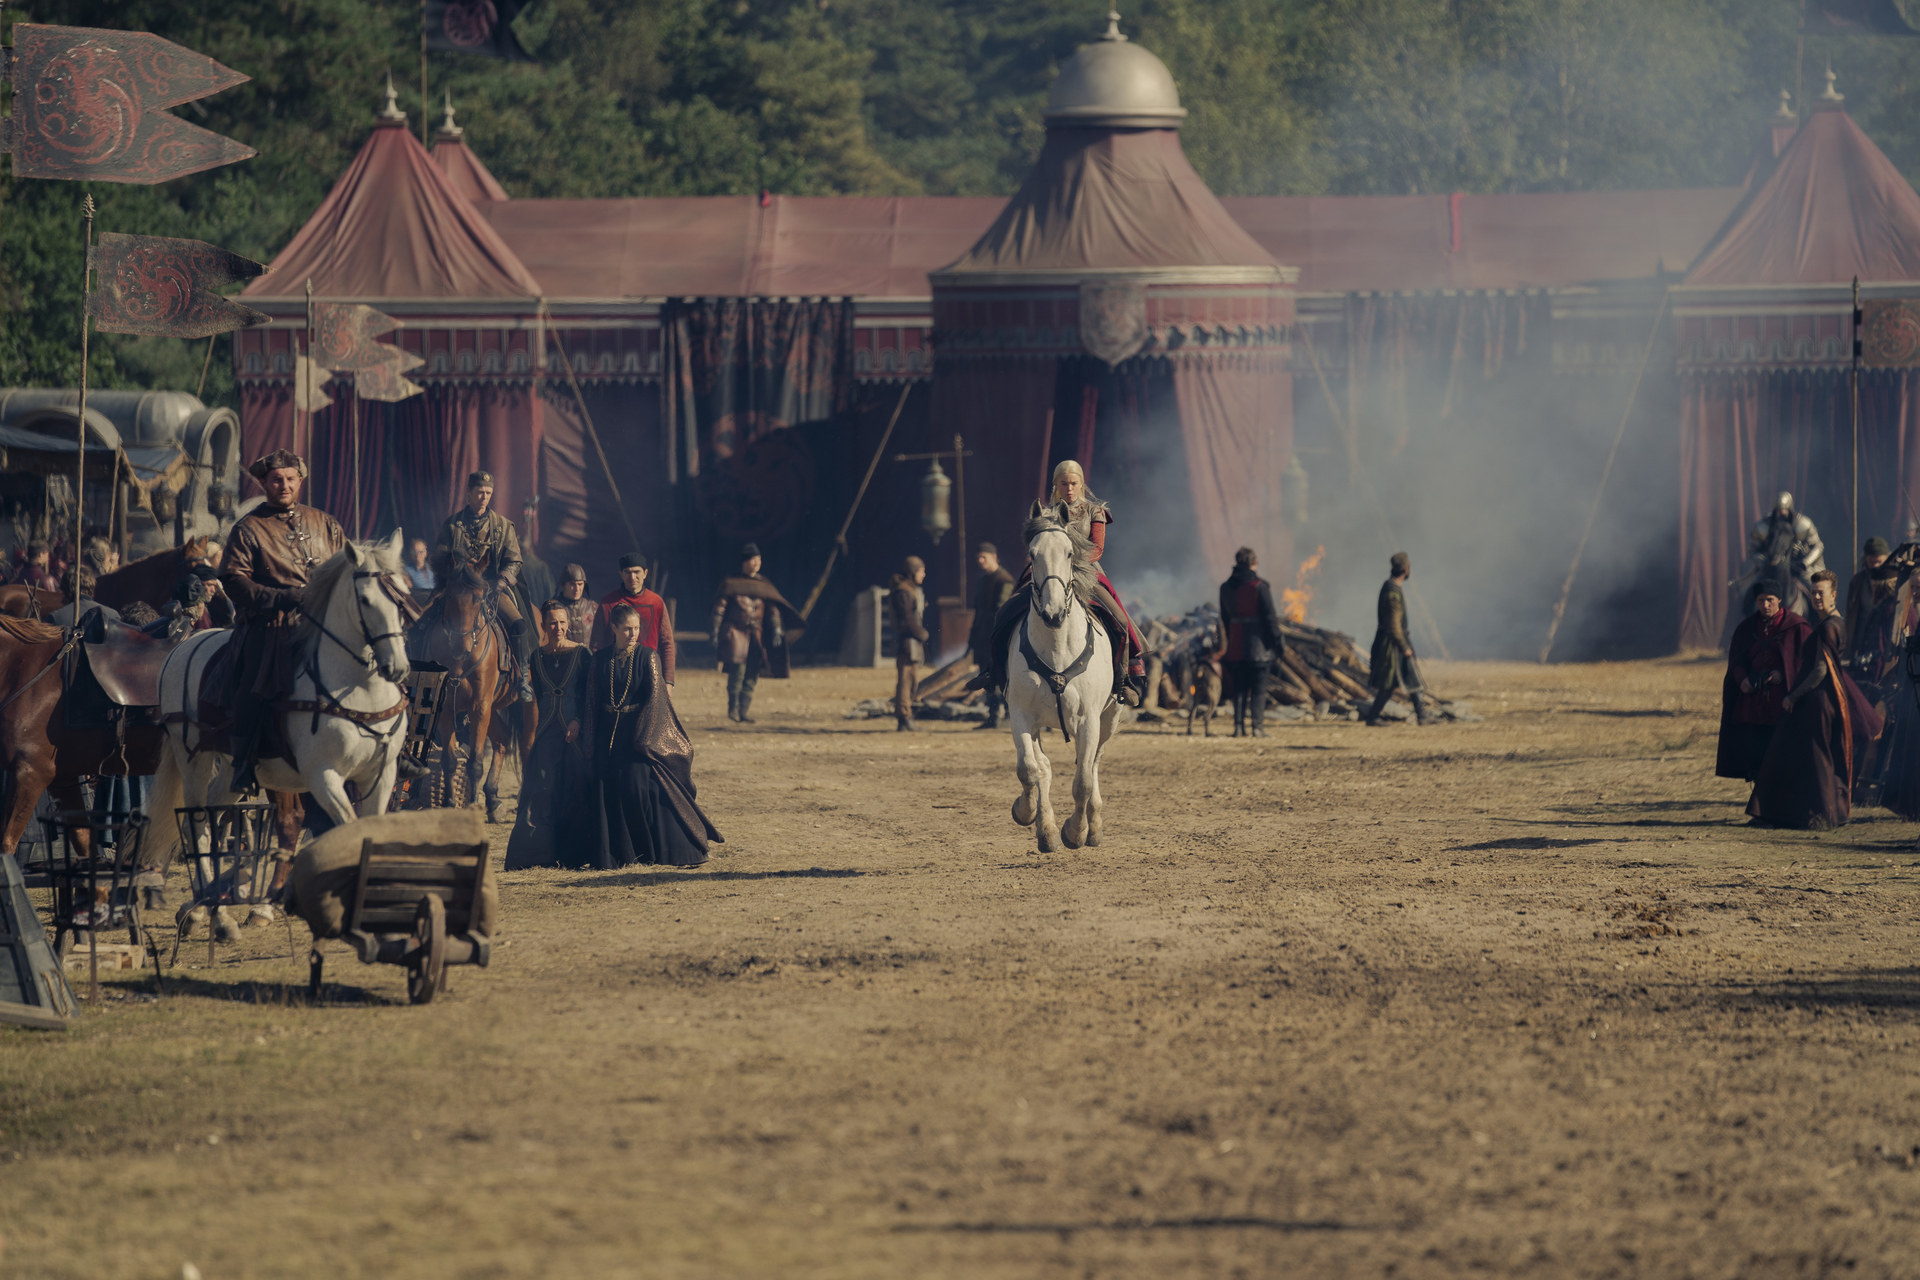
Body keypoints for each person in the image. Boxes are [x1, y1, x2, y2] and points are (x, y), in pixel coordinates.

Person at [966, 460, 1150, 706]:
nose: (1069, 488)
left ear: (1081, 484)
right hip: (1047, 573)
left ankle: (1123, 678)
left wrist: (1068, 563)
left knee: (1118, 617)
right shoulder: (1045, 513)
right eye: (1064, 484)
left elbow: (1096, 549)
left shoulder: (1094, 511)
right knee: (1005, 613)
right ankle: (994, 671)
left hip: (1085, 572)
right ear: (1056, 485)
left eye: (1074, 483)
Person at [220, 449, 347, 794]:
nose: (284, 485)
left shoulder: (326, 523)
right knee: (255, 678)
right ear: (263, 483)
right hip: (271, 626)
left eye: (290, 479)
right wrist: (280, 598)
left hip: (324, 623)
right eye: (276, 480)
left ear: (300, 481)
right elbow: (233, 580)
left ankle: (396, 748)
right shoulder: (248, 529)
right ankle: (244, 762)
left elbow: (348, 568)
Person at [584, 602, 722, 869]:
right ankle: (613, 855)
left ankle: (653, 851)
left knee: (636, 784)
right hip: (606, 733)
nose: (633, 634)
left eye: (636, 629)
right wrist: (590, 742)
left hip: (638, 734)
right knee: (603, 784)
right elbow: (590, 702)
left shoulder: (648, 656)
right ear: (613, 628)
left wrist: (643, 738)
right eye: (627, 629)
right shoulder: (600, 660)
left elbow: (657, 700)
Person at [1747, 569, 1883, 829]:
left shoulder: (1830, 627)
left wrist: (1793, 696)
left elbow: (1821, 670)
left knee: (1818, 758)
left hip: (1818, 701)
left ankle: (1823, 816)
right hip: (1816, 700)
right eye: (1814, 593)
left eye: (1821, 593)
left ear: (1834, 595)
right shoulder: (1827, 623)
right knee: (1806, 757)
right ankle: (1797, 814)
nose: (1816, 598)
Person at [505, 599, 593, 870]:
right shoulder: (536, 656)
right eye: (553, 623)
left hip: (574, 733)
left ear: (569, 625)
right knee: (541, 788)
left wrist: (578, 720)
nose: (558, 628)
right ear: (543, 626)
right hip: (547, 732)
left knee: (574, 789)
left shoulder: (582, 654)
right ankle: (538, 854)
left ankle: (575, 855)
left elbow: (589, 696)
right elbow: (539, 696)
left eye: (562, 622)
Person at [432, 471, 531, 694]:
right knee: (423, 621)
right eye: (479, 492)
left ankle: (522, 678)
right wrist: (454, 573)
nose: (484, 497)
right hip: (458, 590)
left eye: (488, 493)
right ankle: (419, 671)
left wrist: (502, 581)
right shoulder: (451, 525)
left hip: (494, 589)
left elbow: (515, 560)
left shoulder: (504, 526)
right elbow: (438, 558)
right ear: (468, 494)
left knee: (519, 625)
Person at [1715, 584, 1812, 782]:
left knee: (1781, 753)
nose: (1765, 605)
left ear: (1779, 600)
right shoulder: (1747, 628)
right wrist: (1742, 680)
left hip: (1783, 703)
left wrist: (1784, 674)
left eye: (1770, 600)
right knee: (1756, 753)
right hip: (1753, 703)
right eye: (1761, 600)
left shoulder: (1797, 626)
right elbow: (1736, 661)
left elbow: (1805, 661)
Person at [710, 543, 800, 724]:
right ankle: (733, 709)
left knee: (752, 672)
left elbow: (773, 610)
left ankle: (744, 711)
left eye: (758, 559)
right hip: (737, 633)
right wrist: (715, 630)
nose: (756, 563)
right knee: (737, 671)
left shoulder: (764, 585)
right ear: (744, 562)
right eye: (752, 560)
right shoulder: (731, 583)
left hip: (756, 635)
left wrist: (776, 630)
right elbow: (719, 609)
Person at [1364, 551, 1437, 725]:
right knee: (1400, 681)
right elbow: (1394, 625)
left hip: (1393, 642)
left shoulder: (1391, 587)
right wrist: (1404, 646)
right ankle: (1375, 717)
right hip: (1392, 645)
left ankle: (1420, 715)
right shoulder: (1392, 593)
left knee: (1405, 679)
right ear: (1406, 569)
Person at [1219, 546, 1284, 738]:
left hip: (1236, 643)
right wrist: (1278, 642)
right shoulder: (1259, 586)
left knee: (1239, 688)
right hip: (1258, 645)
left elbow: (1225, 618)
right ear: (1254, 563)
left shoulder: (1225, 587)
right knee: (1258, 688)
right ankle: (1257, 727)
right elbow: (1270, 618)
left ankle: (1238, 728)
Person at [1732, 490, 1826, 609]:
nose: (1782, 513)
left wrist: (1805, 562)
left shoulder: (1802, 524)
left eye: (1785, 510)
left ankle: (1818, 618)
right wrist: (1763, 561)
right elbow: (1753, 549)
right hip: (1770, 566)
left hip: (1798, 567)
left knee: (1815, 590)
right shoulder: (1764, 526)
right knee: (1749, 592)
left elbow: (1817, 546)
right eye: (1779, 510)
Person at [594, 553, 676, 683]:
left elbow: (667, 643)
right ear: (621, 573)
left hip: (649, 672)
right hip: (615, 675)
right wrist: (597, 677)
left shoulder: (656, 602)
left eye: (637, 572)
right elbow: (596, 644)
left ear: (645, 573)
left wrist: (668, 681)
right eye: (628, 572)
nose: (632, 577)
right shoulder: (607, 603)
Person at [968, 542, 1015, 729]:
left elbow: (1000, 610)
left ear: (994, 557)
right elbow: (979, 611)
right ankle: (992, 716)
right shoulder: (982, 581)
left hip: (995, 637)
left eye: (984, 557)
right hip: (982, 636)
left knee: (999, 675)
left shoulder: (1004, 580)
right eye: (978, 558)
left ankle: (1006, 715)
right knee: (986, 677)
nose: (980, 561)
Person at [890, 556, 930, 732]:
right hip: (907, 643)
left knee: (911, 681)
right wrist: (922, 633)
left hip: (912, 642)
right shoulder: (904, 592)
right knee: (906, 682)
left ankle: (906, 716)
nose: (924, 574)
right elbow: (906, 620)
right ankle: (904, 718)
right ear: (913, 572)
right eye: (921, 571)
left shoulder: (909, 590)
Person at [1843, 536, 1894, 664]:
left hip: (1885, 638)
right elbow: (1851, 617)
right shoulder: (1858, 582)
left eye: (1879, 562)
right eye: (1871, 562)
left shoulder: (1894, 582)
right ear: (1865, 560)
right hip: (1863, 639)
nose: (1875, 566)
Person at [556, 564, 596, 646]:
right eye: (572, 584)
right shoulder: (553, 608)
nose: (577, 589)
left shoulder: (593, 607)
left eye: (580, 584)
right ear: (563, 585)